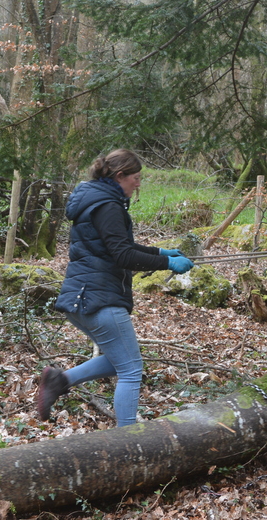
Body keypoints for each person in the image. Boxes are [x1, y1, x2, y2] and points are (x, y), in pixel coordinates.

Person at [35, 149, 193, 426]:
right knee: (131, 370)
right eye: (135, 177)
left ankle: (60, 380)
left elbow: (119, 246)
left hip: (82, 298)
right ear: (120, 176)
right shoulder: (108, 206)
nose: (138, 183)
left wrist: (160, 250)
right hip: (99, 300)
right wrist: (167, 263)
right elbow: (123, 256)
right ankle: (128, 440)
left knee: (118, 360)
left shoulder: (97, 200)